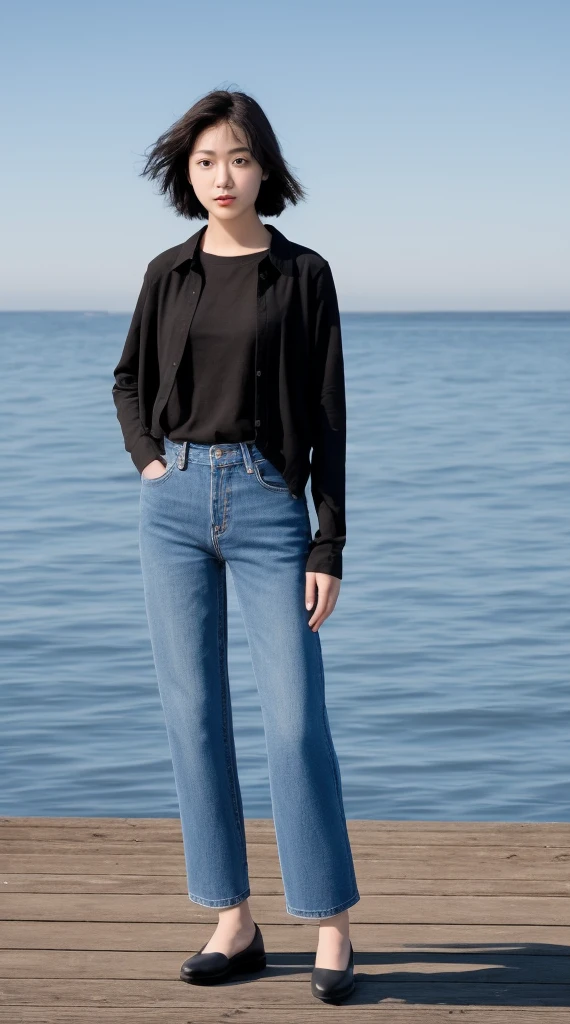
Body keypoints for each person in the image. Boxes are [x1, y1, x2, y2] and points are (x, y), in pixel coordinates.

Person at [111, 89, 358, 1004]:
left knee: (295, 724)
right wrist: (147, 463)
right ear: (187, 170)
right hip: (172, 507)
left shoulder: (304, 275)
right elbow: (129, 377)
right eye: (208, 160)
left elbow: (329, 417)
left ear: (266, 169)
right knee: (195, 720)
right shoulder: (166, 272)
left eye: (242, 158)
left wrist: (328, 542)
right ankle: (234, 921)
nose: (225, 176)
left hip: (266, 506)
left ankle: (330, 925)